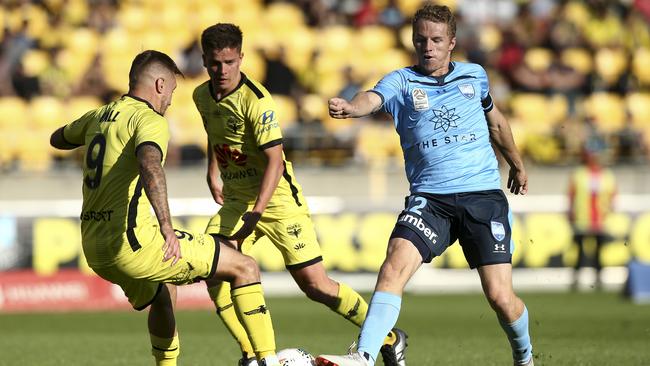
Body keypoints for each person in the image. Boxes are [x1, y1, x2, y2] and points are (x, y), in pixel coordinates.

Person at [316, 4, 534, 366]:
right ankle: (364, 356)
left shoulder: (474, 76)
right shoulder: (401, 81)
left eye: (435, 40)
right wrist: (352, 108)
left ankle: (524, 358)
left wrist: (518, 164)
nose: (427, 47)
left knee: (499, 296)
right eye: (420, 40)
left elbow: (496, 122)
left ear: (452, 42)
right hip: (431, 200)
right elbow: (372, 98)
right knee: (393, 266)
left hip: (482, 197)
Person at [192, 24, 407, 366]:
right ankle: (253, 354)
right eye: (215, 63)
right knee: (214, 269)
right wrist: (212, 169)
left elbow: (276, 162)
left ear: (241, 58)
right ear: (204, 60)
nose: (222, 71)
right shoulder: (201, 96)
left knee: (315, 286)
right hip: (236, 200)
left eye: (230, 62)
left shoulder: (256, 100)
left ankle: (390, 337)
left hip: (276, 202)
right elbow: (214, 133)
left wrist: (257, 213)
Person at [49, 50, 281, 366]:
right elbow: (150, 163)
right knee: (245, 267)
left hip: (94, 247)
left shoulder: (98, 116)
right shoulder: (149, 119)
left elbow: (57, 138)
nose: (170, 101)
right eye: (171, 91)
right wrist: (167, 227)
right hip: (134, 244)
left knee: (163, 294)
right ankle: (266, 360)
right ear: (160, 84)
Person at [568, 147, 617, 290]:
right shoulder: (579, 174)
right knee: (580, 251)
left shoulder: (607, 175)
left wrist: (609, 210)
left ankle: (599, 278)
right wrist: (571, 213)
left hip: (600, 220)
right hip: (582, 219)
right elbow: (571, 195)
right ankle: (576, 279)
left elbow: (613, 194)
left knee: (599, 251)